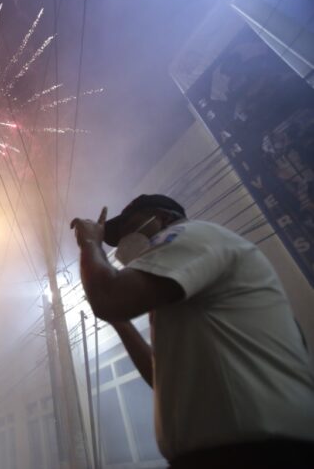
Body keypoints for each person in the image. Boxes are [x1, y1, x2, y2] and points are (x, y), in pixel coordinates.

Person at [70, 194, 314, 467]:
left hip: (255, 452)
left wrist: (90, 244)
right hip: (224, 453)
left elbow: (109, 297)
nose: (126, 241)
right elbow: (161, 377)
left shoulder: (189, 236)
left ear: (162, 218)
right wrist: (120, 321)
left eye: (131, 228)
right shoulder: (176, 289)